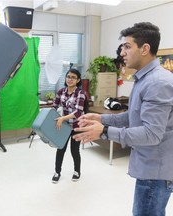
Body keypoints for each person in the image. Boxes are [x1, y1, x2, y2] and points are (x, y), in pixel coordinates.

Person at [73, 22, 173, 216]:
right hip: (150, 167)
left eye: (127, 46)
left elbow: (151, 133)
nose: (122, 52)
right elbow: (133, 116)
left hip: (156, 172)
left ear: (145, 49)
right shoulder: (144, 79)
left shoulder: (158, 82)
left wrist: (103, 131)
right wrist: (101, 118)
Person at [51, 68, 86, 183]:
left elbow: (78, 112)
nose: (70, 79)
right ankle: (57, 172)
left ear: (78, 80)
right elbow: (54, 107)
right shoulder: (61, 92)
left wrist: (62, 118)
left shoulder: (80, 94)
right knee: (60, 148)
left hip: (77, 126)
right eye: (68, 77)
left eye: (73, 77)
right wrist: (48, 118)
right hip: (65, 126)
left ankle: (77, 171)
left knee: (74, 151)